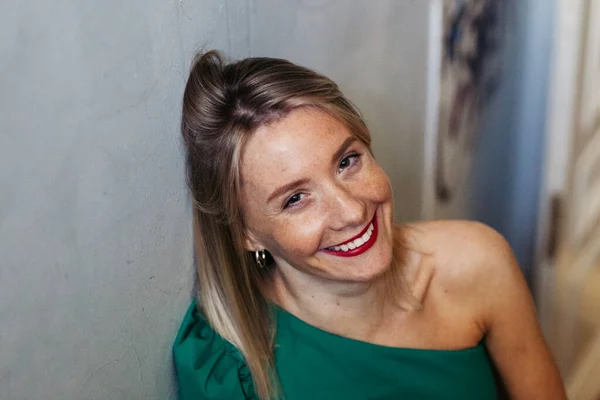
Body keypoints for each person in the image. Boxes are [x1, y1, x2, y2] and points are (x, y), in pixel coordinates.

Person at [173, 50, 566, 400]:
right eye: (295, 199)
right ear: (246, 232)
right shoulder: (227, 363)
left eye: (347, 161)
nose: (352, 211)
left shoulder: (476, 264)